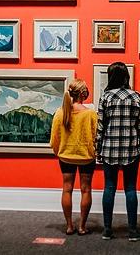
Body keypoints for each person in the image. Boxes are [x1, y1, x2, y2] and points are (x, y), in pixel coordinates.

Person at [95, 62, 140, 242]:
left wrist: (98, 149)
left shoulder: (106, 97)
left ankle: (107, 230)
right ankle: (133, 231)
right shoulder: (137, 97)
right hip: (131, 147)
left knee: (109, 188)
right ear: (126, 76)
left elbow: (100, 127)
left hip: (109, 148)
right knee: (130, 188)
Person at [50, 79, 97, 236]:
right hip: (86, 158)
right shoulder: (90, 114)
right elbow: (96, 136)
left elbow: (54, 139)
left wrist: (59, 152)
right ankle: (82, 227)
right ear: (83, 94)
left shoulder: (60, 112)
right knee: (86, 189)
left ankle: (69, 226)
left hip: (66, 157)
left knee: (67, 189)